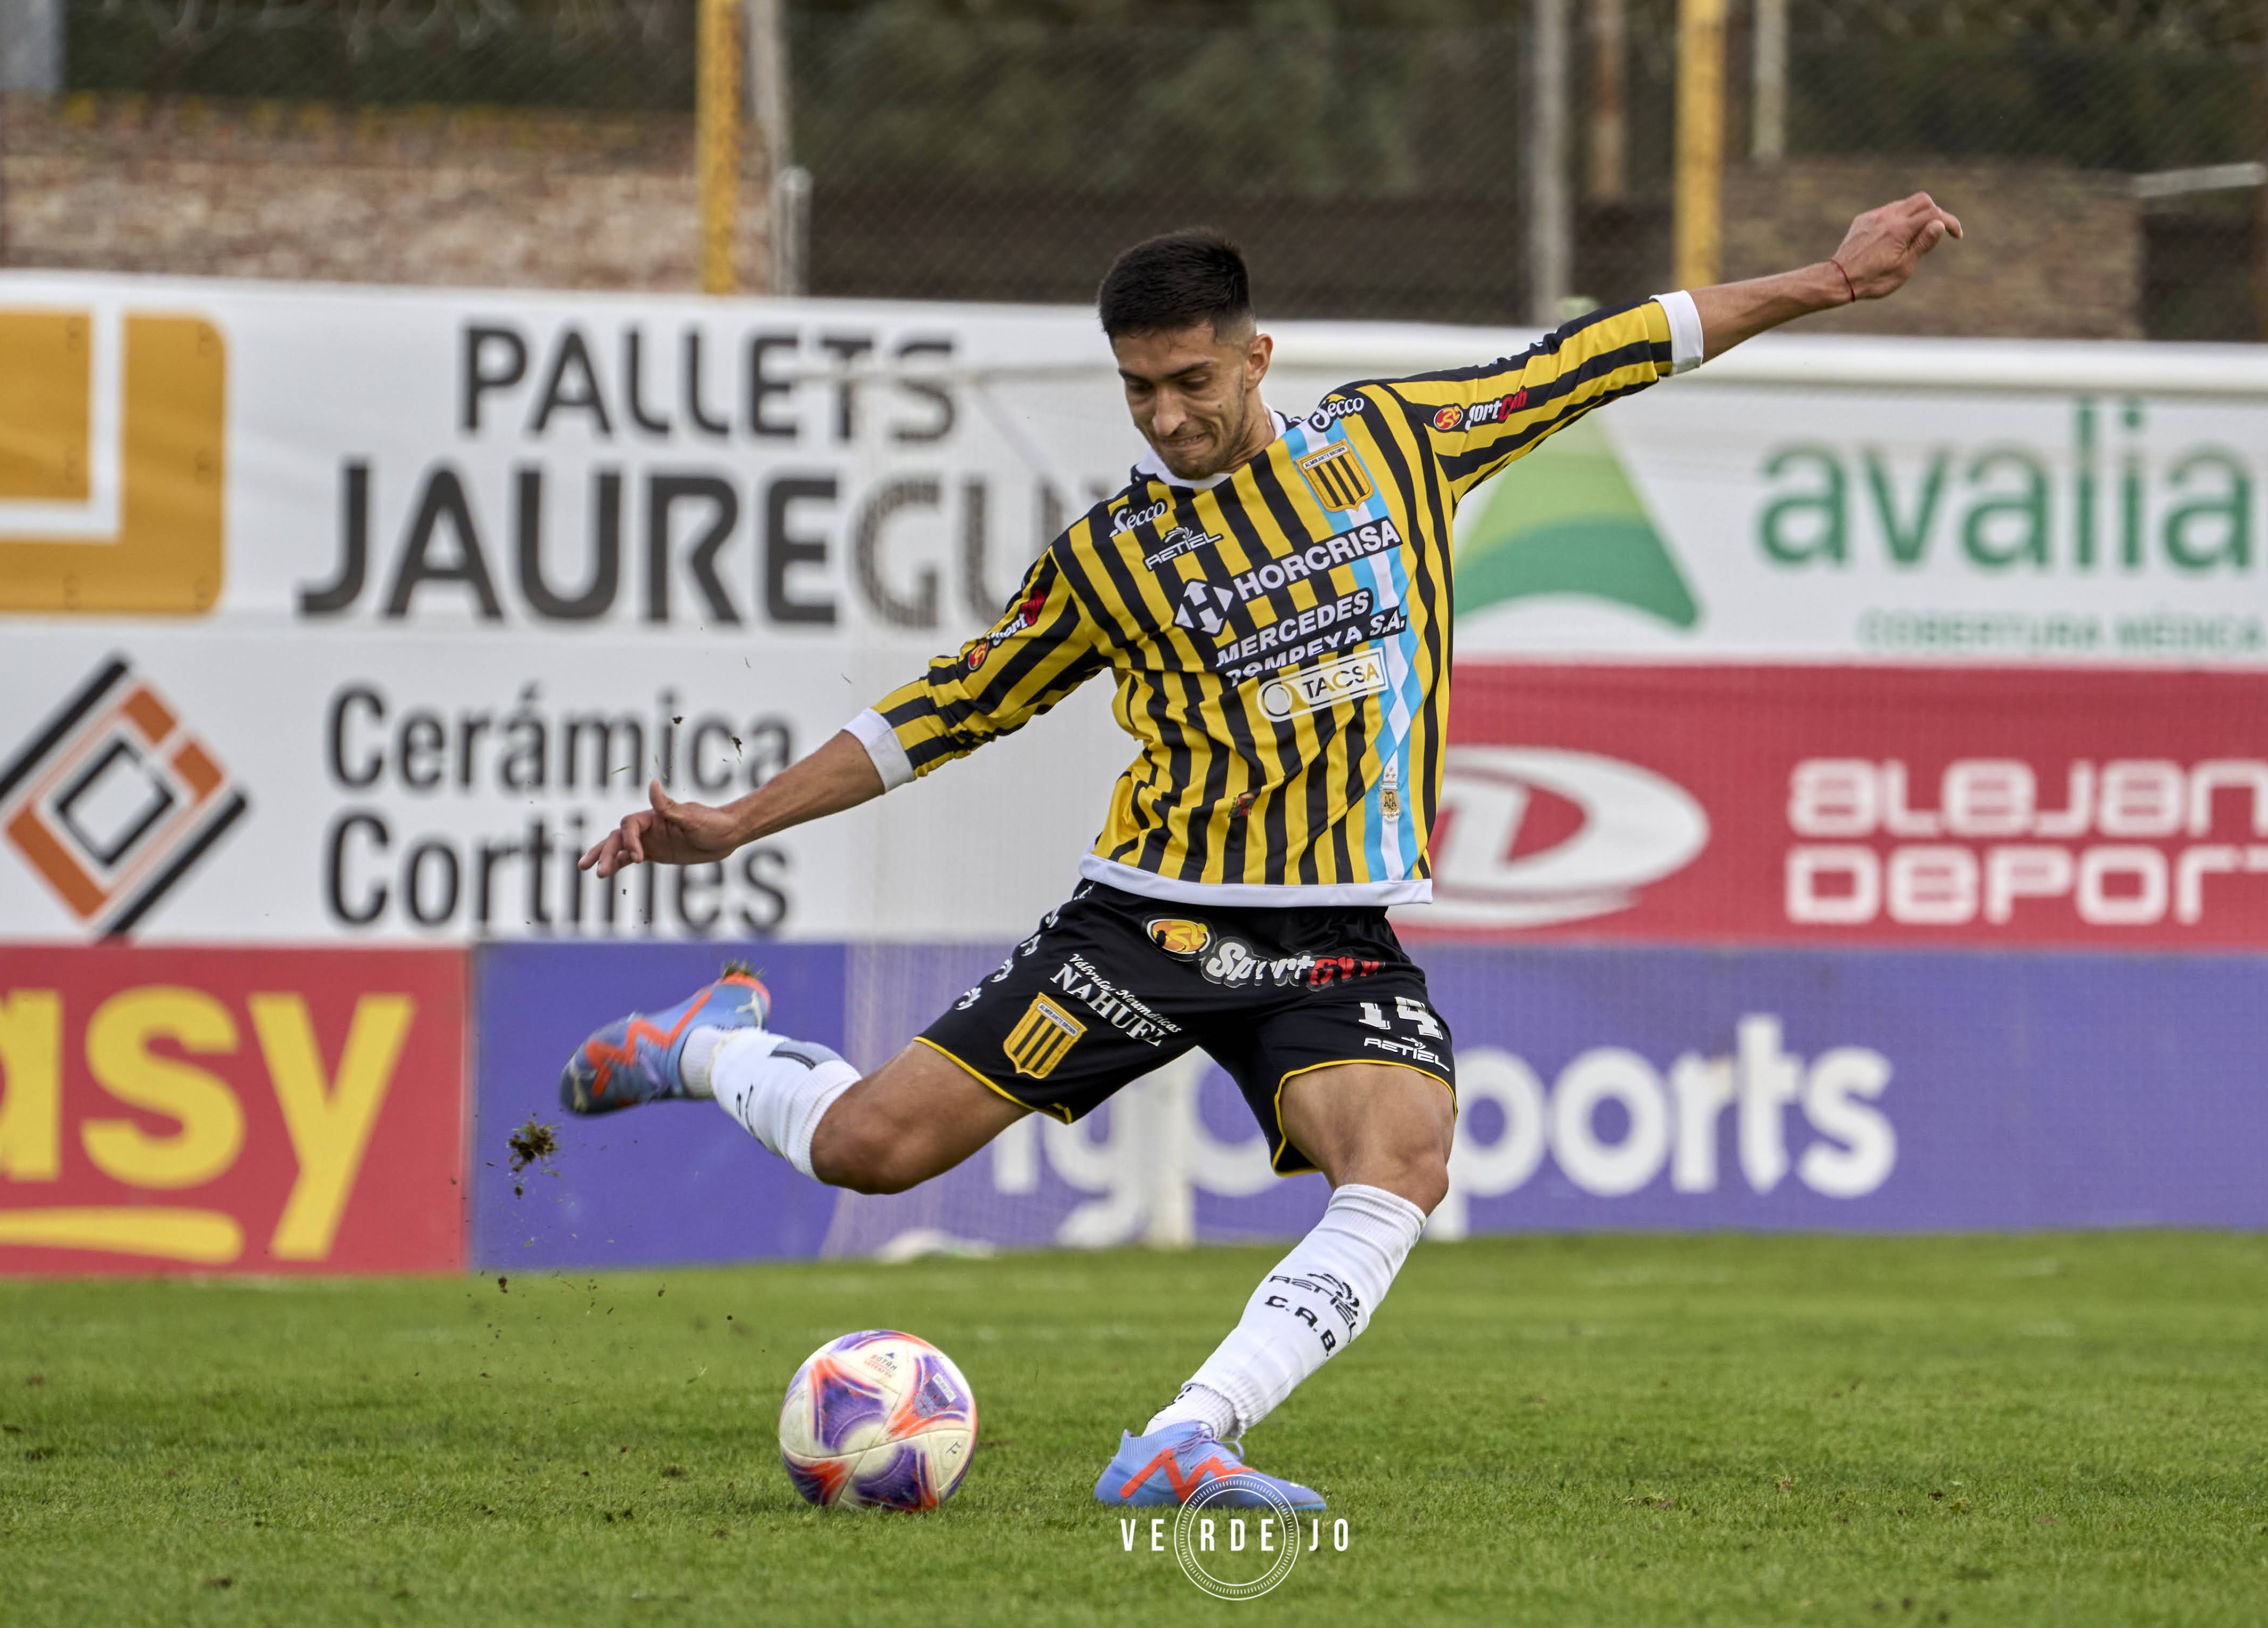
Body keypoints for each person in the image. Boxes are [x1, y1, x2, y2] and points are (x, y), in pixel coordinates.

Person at [561, 197, 1962, 1509]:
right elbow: (951, 703)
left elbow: (1609, 352)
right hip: (1149, 925)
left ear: (1256, 356)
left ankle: (1183, 1439)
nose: (1169, 416)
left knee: (1404, 1160)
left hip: (1334, 936)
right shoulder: (1111, 557)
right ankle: (711, 1044)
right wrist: (735, 821)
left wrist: (1833, 281)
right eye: (1140, 392)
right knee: (867, 1153)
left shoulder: (1395, 442)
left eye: (1192, 381)